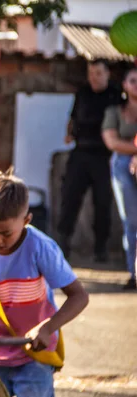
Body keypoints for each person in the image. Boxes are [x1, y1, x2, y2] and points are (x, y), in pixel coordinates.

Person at [0, 169, 89, 397]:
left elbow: (79, 296)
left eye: (5, 233)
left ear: (26, 221)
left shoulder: (41, 247)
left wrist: (47, 327)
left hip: (34, 355)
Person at [58, 59, 122, 262]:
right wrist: (69, 134)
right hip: (81, 152)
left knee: (102, 202)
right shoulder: (83, 93)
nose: (94, 78)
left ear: (107, 74)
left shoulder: (115, 95)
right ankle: (63, 242)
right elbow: (73, 118)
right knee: (70, 197)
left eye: (98, 73)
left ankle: (101, 248)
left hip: (104, 156)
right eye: (91, 73)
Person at [102, 67, 137, 290]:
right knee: (131, 221)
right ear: (124, 85)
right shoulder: (114, 112)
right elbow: (112, 142)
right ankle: (133, 273)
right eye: (133, 81)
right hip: (123, 166)